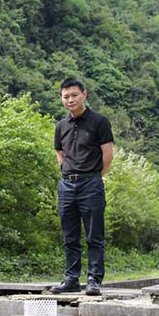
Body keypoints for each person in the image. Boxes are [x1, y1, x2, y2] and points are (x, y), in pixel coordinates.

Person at [50, 77, 114, 296]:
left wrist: (95, 176)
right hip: (67, 185)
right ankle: (71, 279)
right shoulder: (61, 125)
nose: (70, 100)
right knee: (70, 235)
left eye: (74, 95)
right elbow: (59, 151)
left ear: (84, 95)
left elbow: (108, 155)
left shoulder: (99, 121)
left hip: (91, 184)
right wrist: (67, 168)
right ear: (61, 98)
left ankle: (94, 279)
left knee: (94, 235)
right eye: (66, 96)